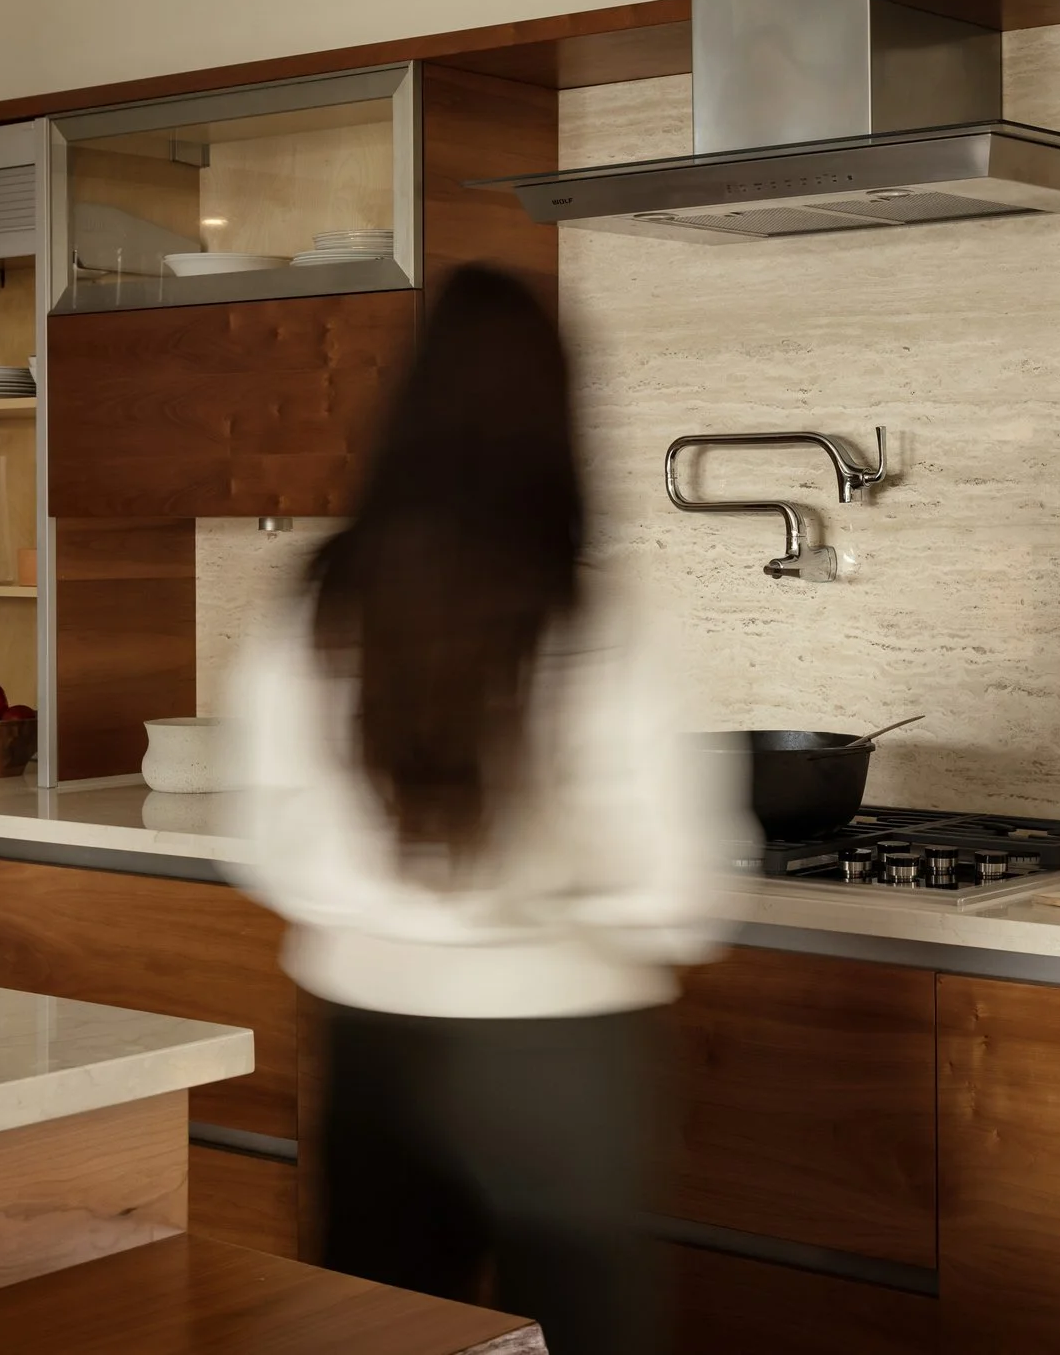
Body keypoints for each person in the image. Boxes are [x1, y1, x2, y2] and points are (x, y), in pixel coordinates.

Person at [221, 265, 747, 1355]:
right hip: (562, 1040)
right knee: (581, 1328)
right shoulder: (596, 614)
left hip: (367, 1027)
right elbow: (683, 893)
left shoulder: (320, 598)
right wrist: (560, 908)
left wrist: (394, 906)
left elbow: (265, 837)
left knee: (377, 1329)